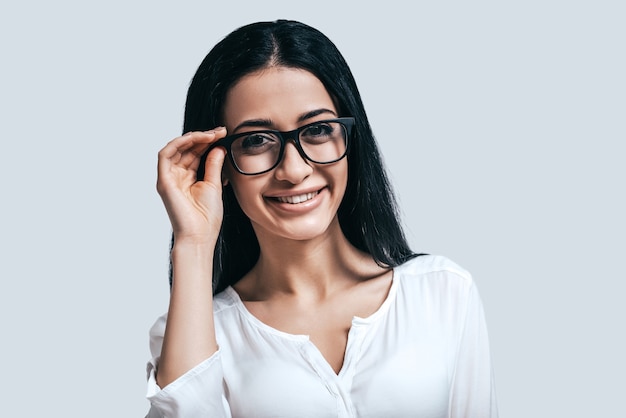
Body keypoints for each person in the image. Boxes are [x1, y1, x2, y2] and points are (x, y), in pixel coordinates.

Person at [146, 19, 498, 418]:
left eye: (317, 130)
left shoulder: (442, 293)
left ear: (350, 138)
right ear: (220, 164)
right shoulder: (197, 335)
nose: (293, 171)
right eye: (256, 140)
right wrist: (192, 242)